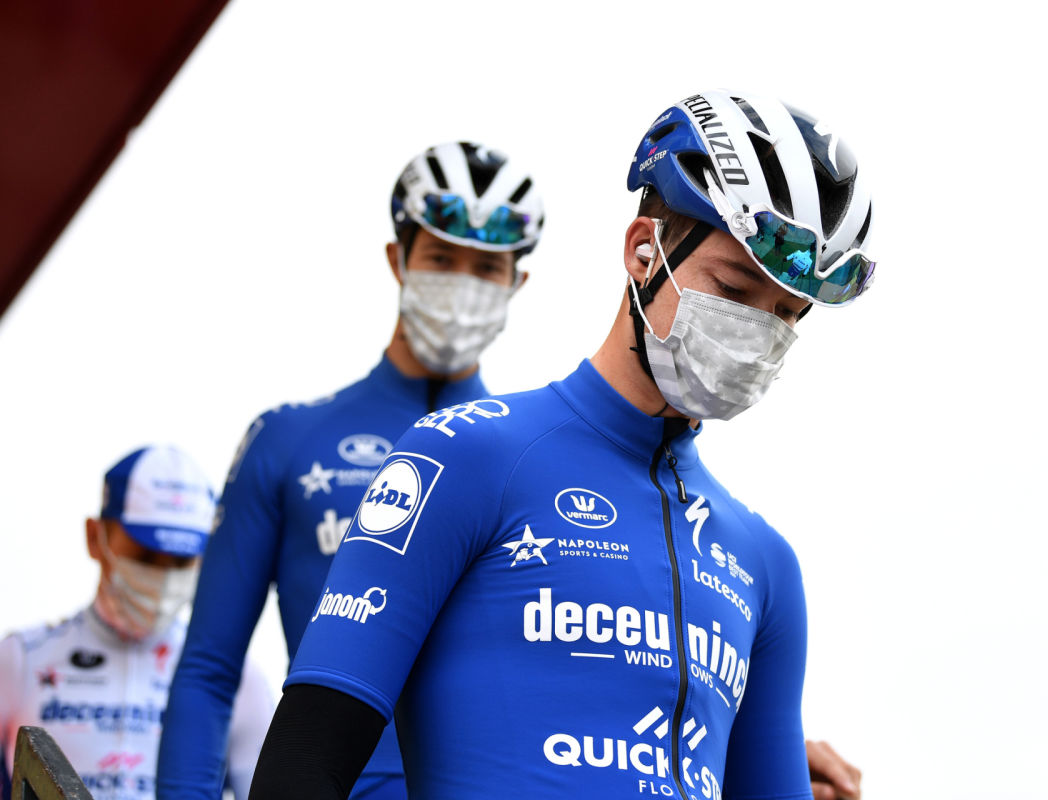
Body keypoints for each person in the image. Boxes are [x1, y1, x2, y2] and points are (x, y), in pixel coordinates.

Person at [248, 89, 875, 800]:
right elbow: (302, 764)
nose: (758, 333)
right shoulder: (463, 456)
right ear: (643, 251)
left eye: (787, 313)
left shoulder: (766, 564)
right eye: (733, 289)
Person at [156, 142, 546, 800]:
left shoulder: (531, 458)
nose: (463, 283)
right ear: (398, 259)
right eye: (442, 257)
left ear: (517, 283)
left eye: (486, 266)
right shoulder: (287, 438)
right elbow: (209, 669)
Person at [0, 445, 273, 800]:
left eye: (181, 561)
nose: (164, 576)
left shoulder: (237, 677)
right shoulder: (21, 658)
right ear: (95, 537)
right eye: (146, 555)